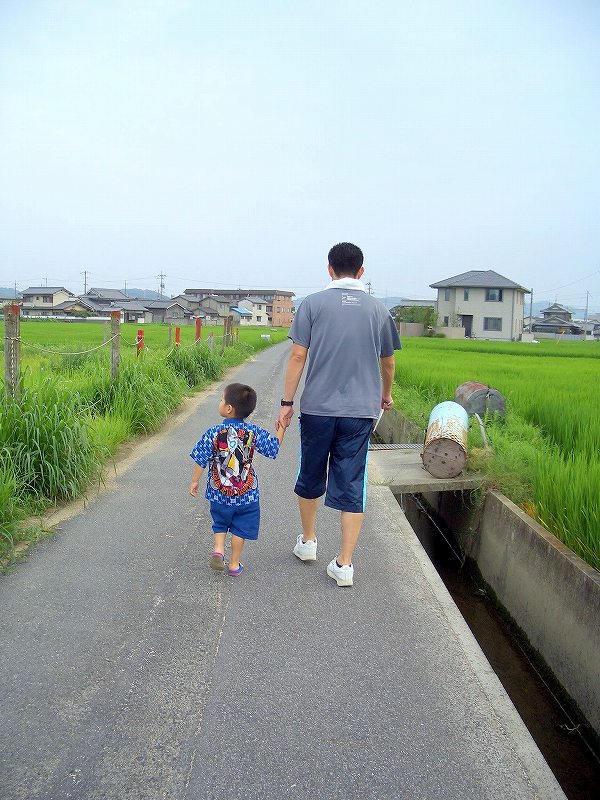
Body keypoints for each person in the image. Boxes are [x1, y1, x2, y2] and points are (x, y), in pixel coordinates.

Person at [277, 242, 401, 587]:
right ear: (361, 272)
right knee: (352, 481)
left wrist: (286, 404)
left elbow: (298, 357)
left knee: (311, 471)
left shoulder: (312, 304)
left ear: (329, 269)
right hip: (360, 412)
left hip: (317, 407)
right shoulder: (379, 310)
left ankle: (308, 542)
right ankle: (344, 564)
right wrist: (385, 394)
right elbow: (388, 361)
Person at [189, 382, 285, 576]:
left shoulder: (213, 433)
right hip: (246, 494)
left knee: (220, 521)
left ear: (229, 408)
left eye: (222, 399)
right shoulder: (253, 433)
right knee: (240, 527)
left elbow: (201, 459)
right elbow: (273, 447)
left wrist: (195, 481)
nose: (220, 402)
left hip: (219, 492)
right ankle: (234, 564)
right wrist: (281, 427)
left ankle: (218, 549)